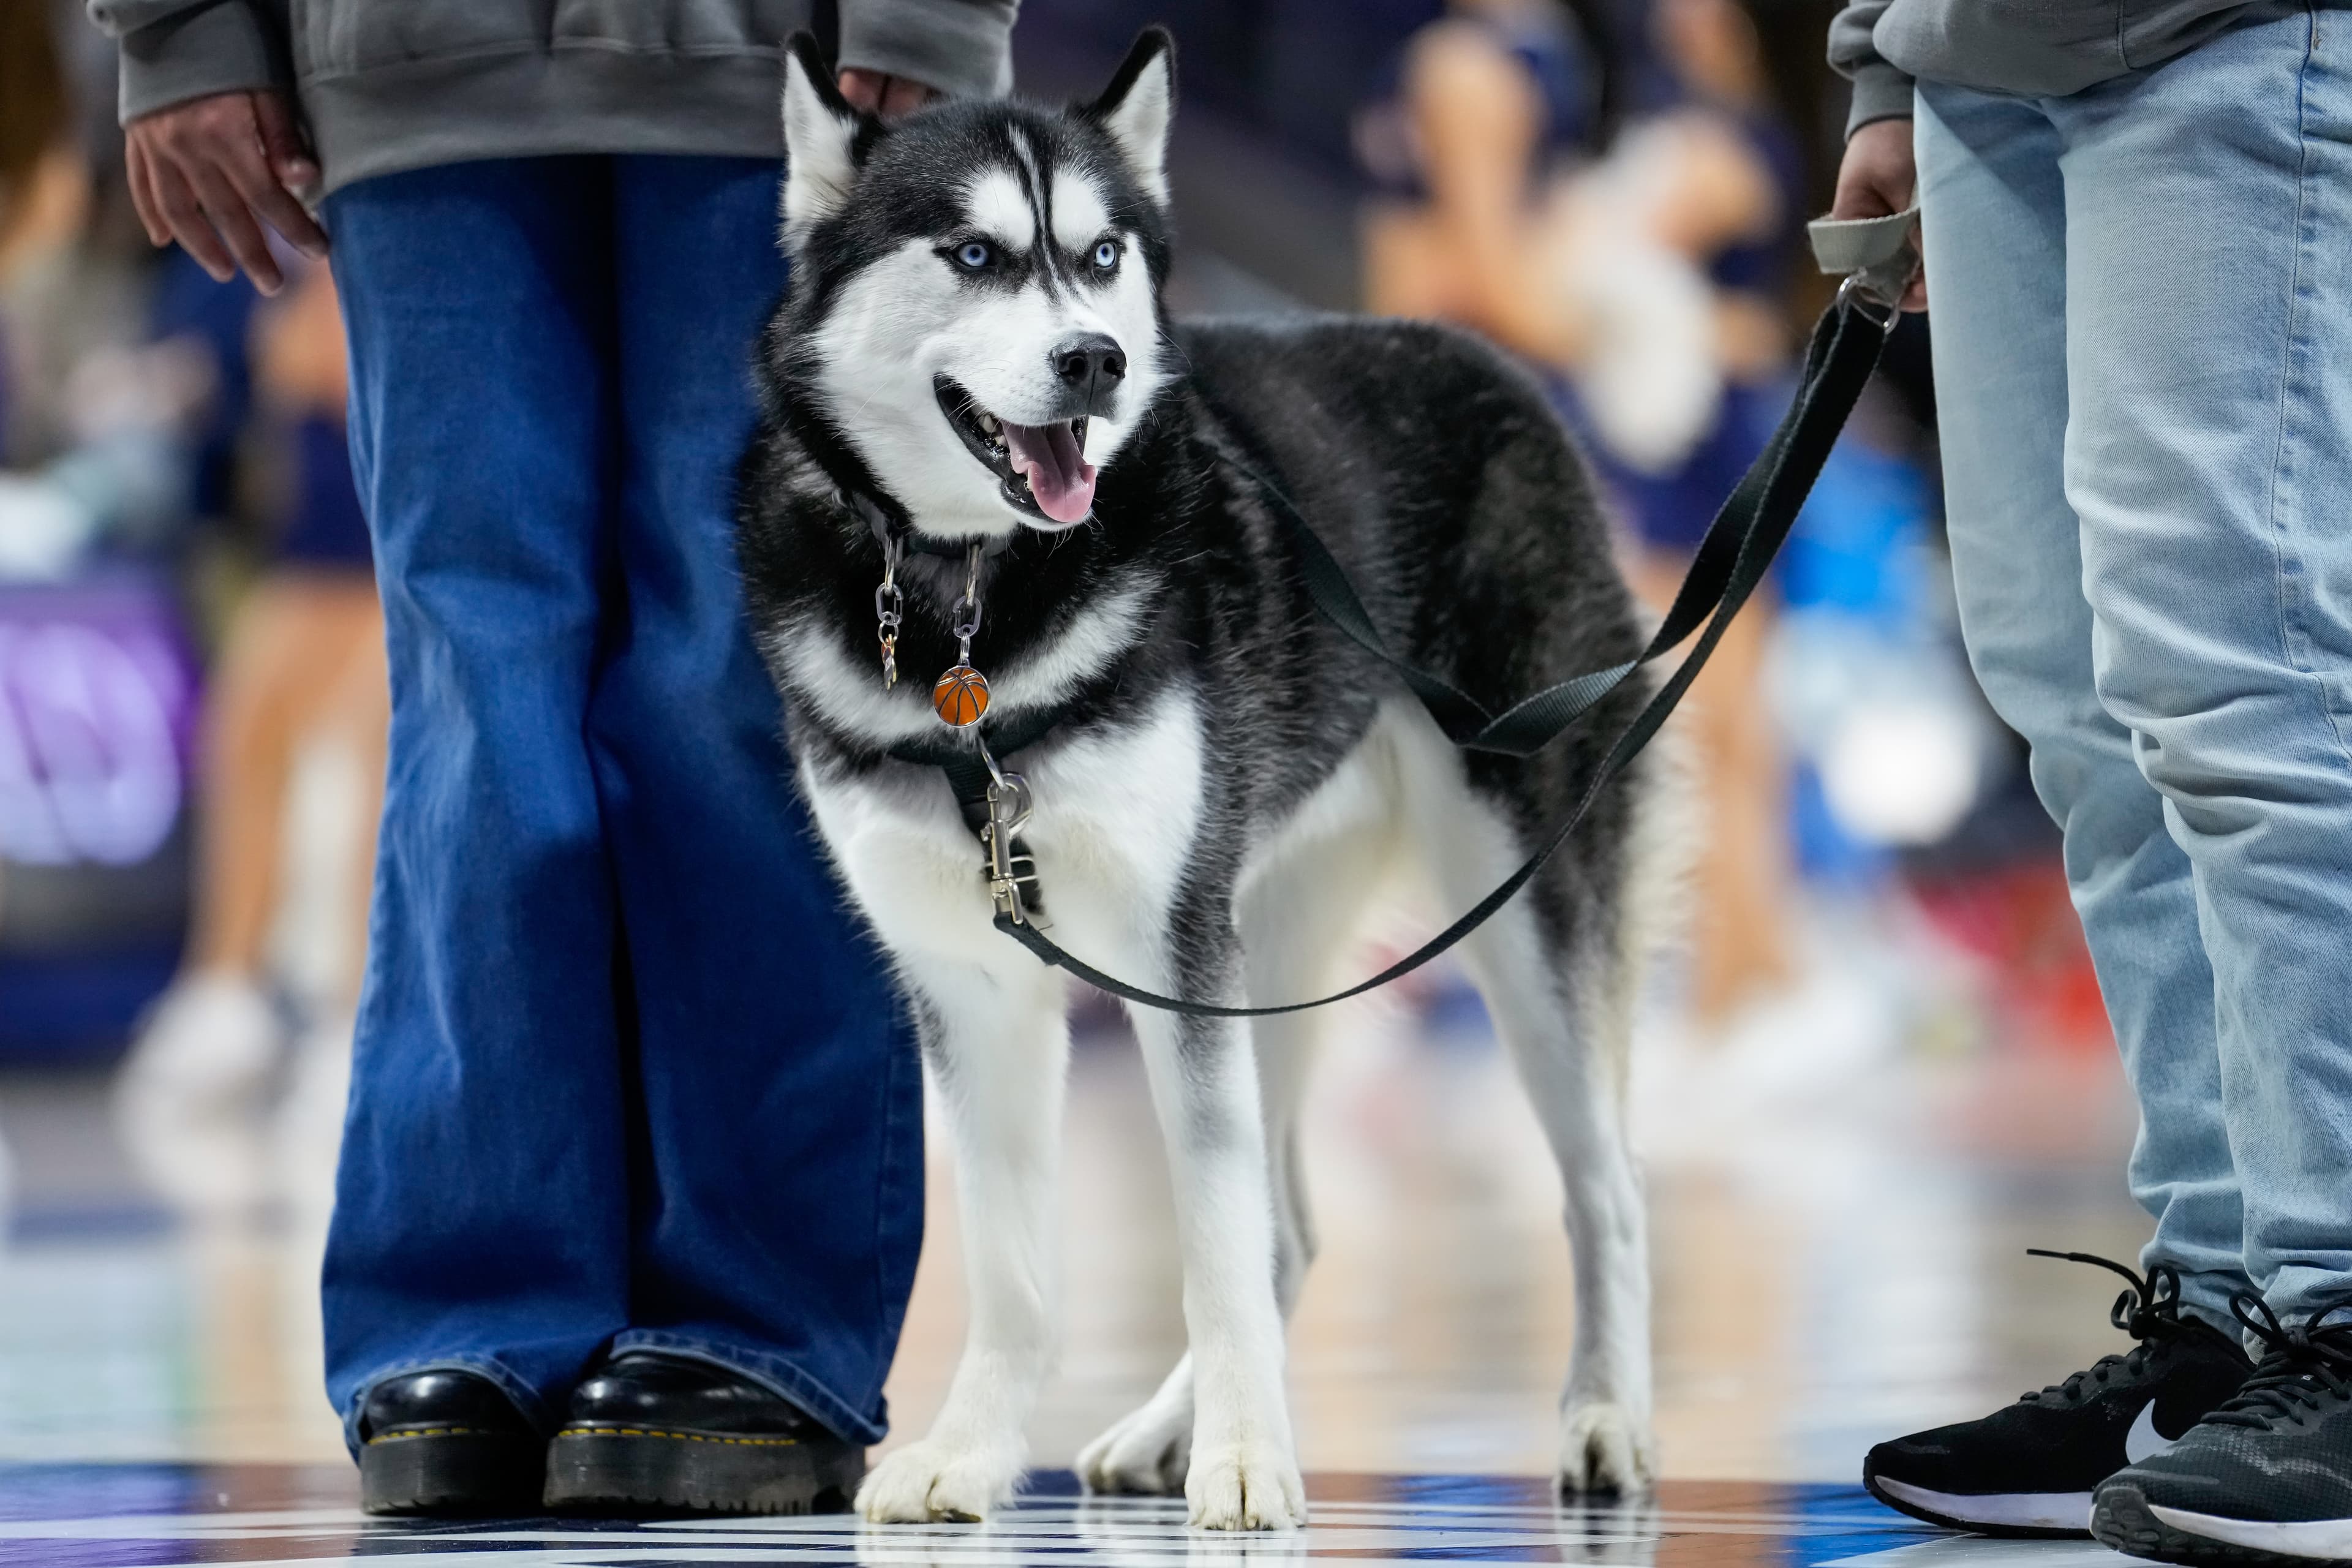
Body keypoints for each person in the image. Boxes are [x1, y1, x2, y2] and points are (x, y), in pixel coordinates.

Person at [87, 0, 1018, 1520]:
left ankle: (758, 1311)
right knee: (473, 698)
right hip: (407, 60)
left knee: (746, 675)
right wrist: (182, 24)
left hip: (780, 65)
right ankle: (469, 1302)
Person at [1828, 3, 2352, 1561]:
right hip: (1976, 64)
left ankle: (2341, 1303)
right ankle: (2227, 1322)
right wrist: (1883, 60)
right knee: (2077, 708)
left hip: (2215, 30)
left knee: (2245, 675)